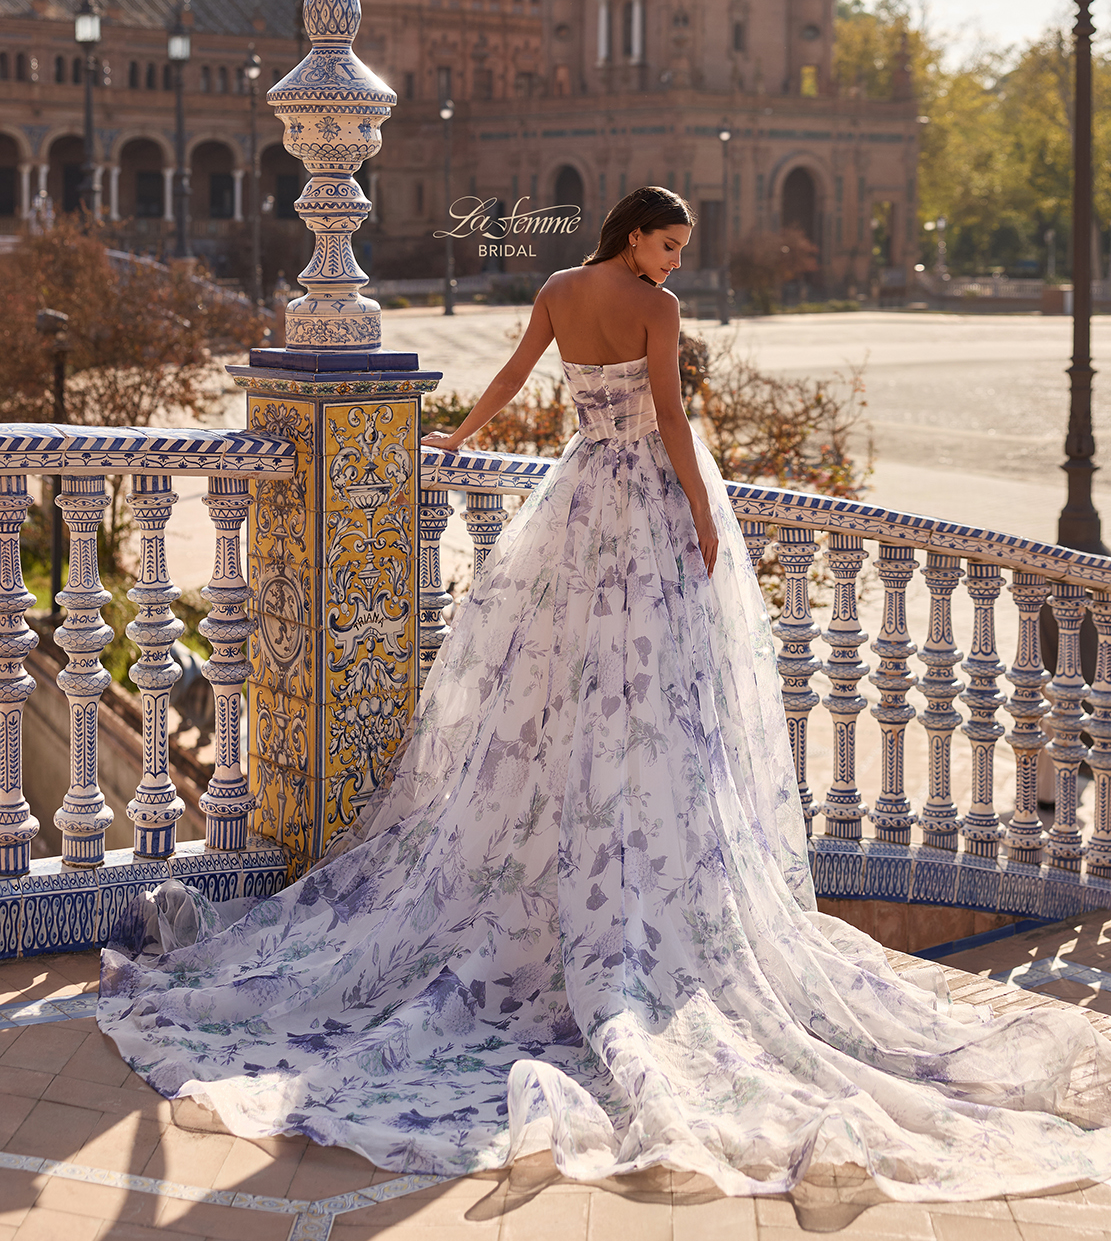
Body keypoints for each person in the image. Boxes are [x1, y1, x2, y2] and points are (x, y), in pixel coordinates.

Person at [100, 187, 1111, 1208]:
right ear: (633, 234)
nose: (673, 263)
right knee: (652, 691)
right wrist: (703, 517)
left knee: (553, 682)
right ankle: (627, 884)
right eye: (666, 244)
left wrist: (459, 436)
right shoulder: (653, 308)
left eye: (677, 250)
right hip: (643, 506)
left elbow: (512, 375)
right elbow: (669, 418)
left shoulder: (556, 286)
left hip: (575, 500)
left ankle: (568, 869)